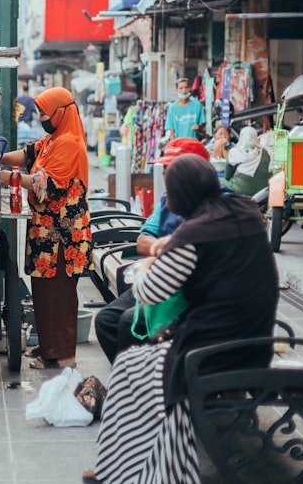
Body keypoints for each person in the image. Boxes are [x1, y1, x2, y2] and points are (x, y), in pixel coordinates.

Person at [85, 154, 279, 483]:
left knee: (130, 371)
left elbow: (149, 292)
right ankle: (143, 457)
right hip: (255, 342)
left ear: (182, 194)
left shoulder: (195, 233)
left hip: (211, 353)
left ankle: (127, 468)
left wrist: (147, 265)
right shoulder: (245, 211)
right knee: (138, 361)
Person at [93, 137, 210, 364]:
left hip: (191, 289)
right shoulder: (169, 199)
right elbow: (142, 241)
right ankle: (132, 381)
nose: (165, 175)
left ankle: (146, 381)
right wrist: (161, 246)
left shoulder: (217, 203)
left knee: (130, 322)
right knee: (107, 320)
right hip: (164, 276)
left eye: (170, 169)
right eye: (164, 169)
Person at [0, 87, 92, 370]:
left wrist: (6, 178)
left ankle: (63, 355)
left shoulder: (69, 143)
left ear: (61, 112)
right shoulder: (53, 140)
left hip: (64, 235)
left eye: (44, 112)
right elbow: (27, 155)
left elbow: (46, 184)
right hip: (46, 232)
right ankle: (50, 346)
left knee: (59, 296)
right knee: (44, 292)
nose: (41, 118)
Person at [224, 125, 272, 197]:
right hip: (263, 192)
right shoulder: (264, 152)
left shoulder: (234, 152)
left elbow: (227, 176)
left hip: (239, 191)